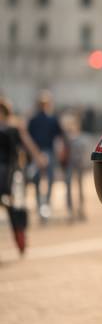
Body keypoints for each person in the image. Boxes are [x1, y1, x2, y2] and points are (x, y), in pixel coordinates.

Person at [1, 97, 48, 256]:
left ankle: (20, 237)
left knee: (15, 209)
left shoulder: (14, 128)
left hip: (11, 174)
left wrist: (38, 157)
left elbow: (28, 144)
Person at [27, 91, 64, 221]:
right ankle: (45, 205)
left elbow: (28, 138)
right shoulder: (52, 119)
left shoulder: (33, 119)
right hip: (45, 152)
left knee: (39, 180)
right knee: (48, 179)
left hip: (37, 152)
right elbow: (60, 137)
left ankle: (41, 205)